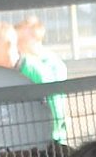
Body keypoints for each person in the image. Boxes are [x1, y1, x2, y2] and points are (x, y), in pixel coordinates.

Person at [13, 16, 67, 144]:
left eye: (20, 40)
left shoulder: (49, 65)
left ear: (33, 38)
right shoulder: (49, 62)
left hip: (50, 136)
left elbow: (55, 103)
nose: (17, 45)